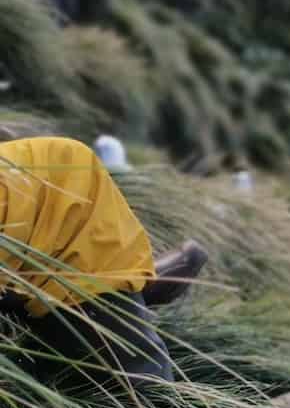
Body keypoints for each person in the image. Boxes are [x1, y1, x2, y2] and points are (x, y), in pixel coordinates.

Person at [0, 136, 205, 388]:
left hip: (56, 212)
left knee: (143, 396)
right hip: (54, 201)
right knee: (141, 399)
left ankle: (116, 288)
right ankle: (125, 288)